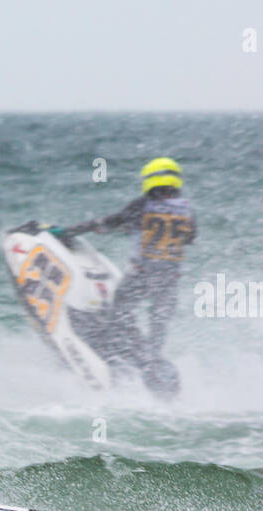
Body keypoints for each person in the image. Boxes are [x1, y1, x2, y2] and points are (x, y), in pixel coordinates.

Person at [54, 157, 196, 393]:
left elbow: (108, 222)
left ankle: (113, 354)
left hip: (142, 274)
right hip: (169, 280)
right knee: (157, 328)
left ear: (151, 179)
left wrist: (69, 231)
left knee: (120, 313)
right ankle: (150, 367)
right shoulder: (187, 210)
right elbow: (189, 237)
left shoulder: (143, 205)